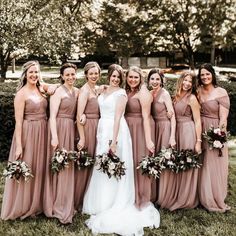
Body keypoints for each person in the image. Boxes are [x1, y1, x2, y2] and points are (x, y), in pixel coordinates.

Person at [83, 64, 160, 235]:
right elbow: (90, 93)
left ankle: (116, 200)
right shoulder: (105, 90)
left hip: (117, 131)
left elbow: (129, 118)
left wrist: (115, 140)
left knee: (116, 163)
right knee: (102, 164)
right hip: (103, 129)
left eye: (119, 77)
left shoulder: (123, 94)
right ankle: (101, 201)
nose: (116, 79)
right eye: (113, 76)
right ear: (109, 76)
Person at [1, 61, 48, 220]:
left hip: (43, 130)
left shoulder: (41, 88)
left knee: (39, 166)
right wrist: (19, 145)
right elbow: (19, 122)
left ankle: (37, 203)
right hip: (28, 132)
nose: (34, 75)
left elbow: (59, 87)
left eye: (36, 72)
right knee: (28, 166)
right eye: (31, 72)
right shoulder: (21, 94)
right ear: (25, 74)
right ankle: (24, 205)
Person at [43, 63, 79, 224]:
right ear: (62, 76)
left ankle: (67, 200)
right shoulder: (58, 92)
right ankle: (59, 205)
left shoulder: (76, 91)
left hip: (71, 130)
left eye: (73, 74)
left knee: (68, 166)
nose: (70, 77)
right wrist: (54, 137)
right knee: (60, 166)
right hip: (59, 129)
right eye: (67, 75)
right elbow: (52, 116)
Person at [197, 63, 230, 212]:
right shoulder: (197, 91)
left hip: (214, 130)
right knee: (201, 162)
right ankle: (200, 194)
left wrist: (219, 136)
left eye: (207, 74)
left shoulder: (221, 92)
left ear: (212, 74)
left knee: (213, 163)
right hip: (199, 129)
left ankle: (213, 196)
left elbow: (223, 118)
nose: (205, 77)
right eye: (202, 74)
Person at [168, 71, 202, 210]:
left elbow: (198, 121)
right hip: (176, 131)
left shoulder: (192, 98)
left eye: (190, 82)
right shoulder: (175, 96)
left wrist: (198, 140)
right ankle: (177, 194)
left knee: (186, 163)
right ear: (181, 80)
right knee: (177, 163)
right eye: (185, 80)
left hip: (188, 131)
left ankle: (186, 198)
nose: (187, 84)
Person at [125, 66, 155, 208]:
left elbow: (146, 117)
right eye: (130, 77)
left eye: (136, 77)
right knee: (128, 159)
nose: (132, 80)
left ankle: (141, 195)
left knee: (138, 159)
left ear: (141, 79)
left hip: (139, 129)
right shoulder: (126, 91)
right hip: (127, 128)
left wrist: (148, 140)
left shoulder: (143, 93)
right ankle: (128, 193)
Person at [147, 68, 176, 206]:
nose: (154, 81)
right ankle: (154, 193)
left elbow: (173, 117)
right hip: (154, 128)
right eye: (152, 78)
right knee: (154, 159)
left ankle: (164, 196)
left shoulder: (165, 94)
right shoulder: (149, 93)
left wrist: (172, 137)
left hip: (164, 127)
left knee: (163, 159)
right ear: (148, 80)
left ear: (161, 80)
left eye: (157, 79)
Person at [74, 61, 101, 210]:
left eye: (96, 73)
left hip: (99, 127)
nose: (94, 76)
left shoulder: (97, 88)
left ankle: (91, 197)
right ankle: (79, 199)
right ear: (85, 75)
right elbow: (79, 116)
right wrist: (82, 138)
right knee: (86, 163)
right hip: (88, 128)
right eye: (91, 73)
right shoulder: (84, 91)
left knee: (94, 163)